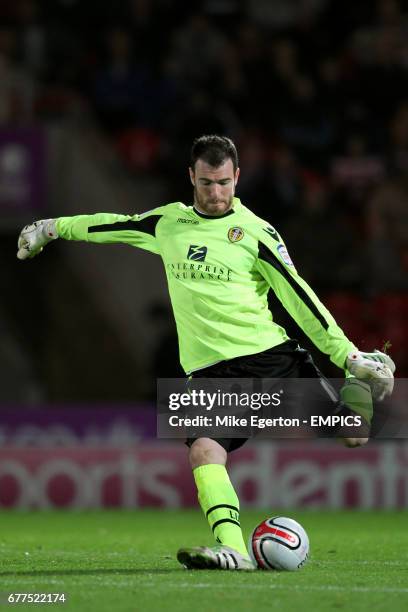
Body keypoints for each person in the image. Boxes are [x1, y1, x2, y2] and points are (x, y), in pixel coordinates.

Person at [17, 134, 395, 571]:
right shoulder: (167, 223)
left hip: (271, 357)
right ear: (191, 179)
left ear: (237, 176)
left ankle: (357, 388)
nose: (215, 194)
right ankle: (233, 550)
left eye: (222, 183)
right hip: (210, 373)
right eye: (205, 184)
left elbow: (300, 298)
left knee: (353, 436)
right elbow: (108, 225)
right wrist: (51, 227)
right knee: (204, 451)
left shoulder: (256, 232)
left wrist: (347, 356)